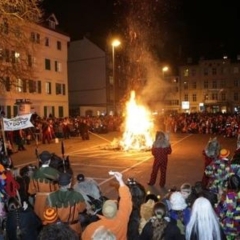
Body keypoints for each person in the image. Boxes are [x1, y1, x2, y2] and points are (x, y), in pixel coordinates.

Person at [82, 171, 132, 240]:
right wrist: (120, 180)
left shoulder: (92, 228)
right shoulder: (123, 219)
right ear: (116, 210)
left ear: (103, 211)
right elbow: (126, 199)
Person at [46, 172, 86, 237]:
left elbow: (48, 212)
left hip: (58, 229)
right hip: (74, 228)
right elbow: (82, 209)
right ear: (70, 184)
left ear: (59, 184)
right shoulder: (77, 195)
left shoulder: (50, 197)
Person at [28, 150, 60, 220]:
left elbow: (31, 191)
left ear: (40, 160)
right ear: (49, 160)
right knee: (52, 218)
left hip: (39, 201)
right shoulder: (55, 172)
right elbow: (58, 188)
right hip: (52, 200)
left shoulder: (35, 173)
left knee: (41, 219)